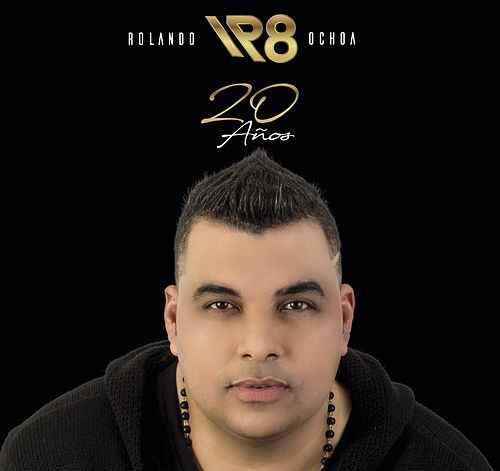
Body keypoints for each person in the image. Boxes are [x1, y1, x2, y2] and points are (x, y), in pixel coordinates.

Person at [0, 149, 493, 471]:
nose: (259, 346)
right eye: (222, 304)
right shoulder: (51, 454)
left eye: (296, 304)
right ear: (173, 321)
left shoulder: (446, 464)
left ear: (344, 320)